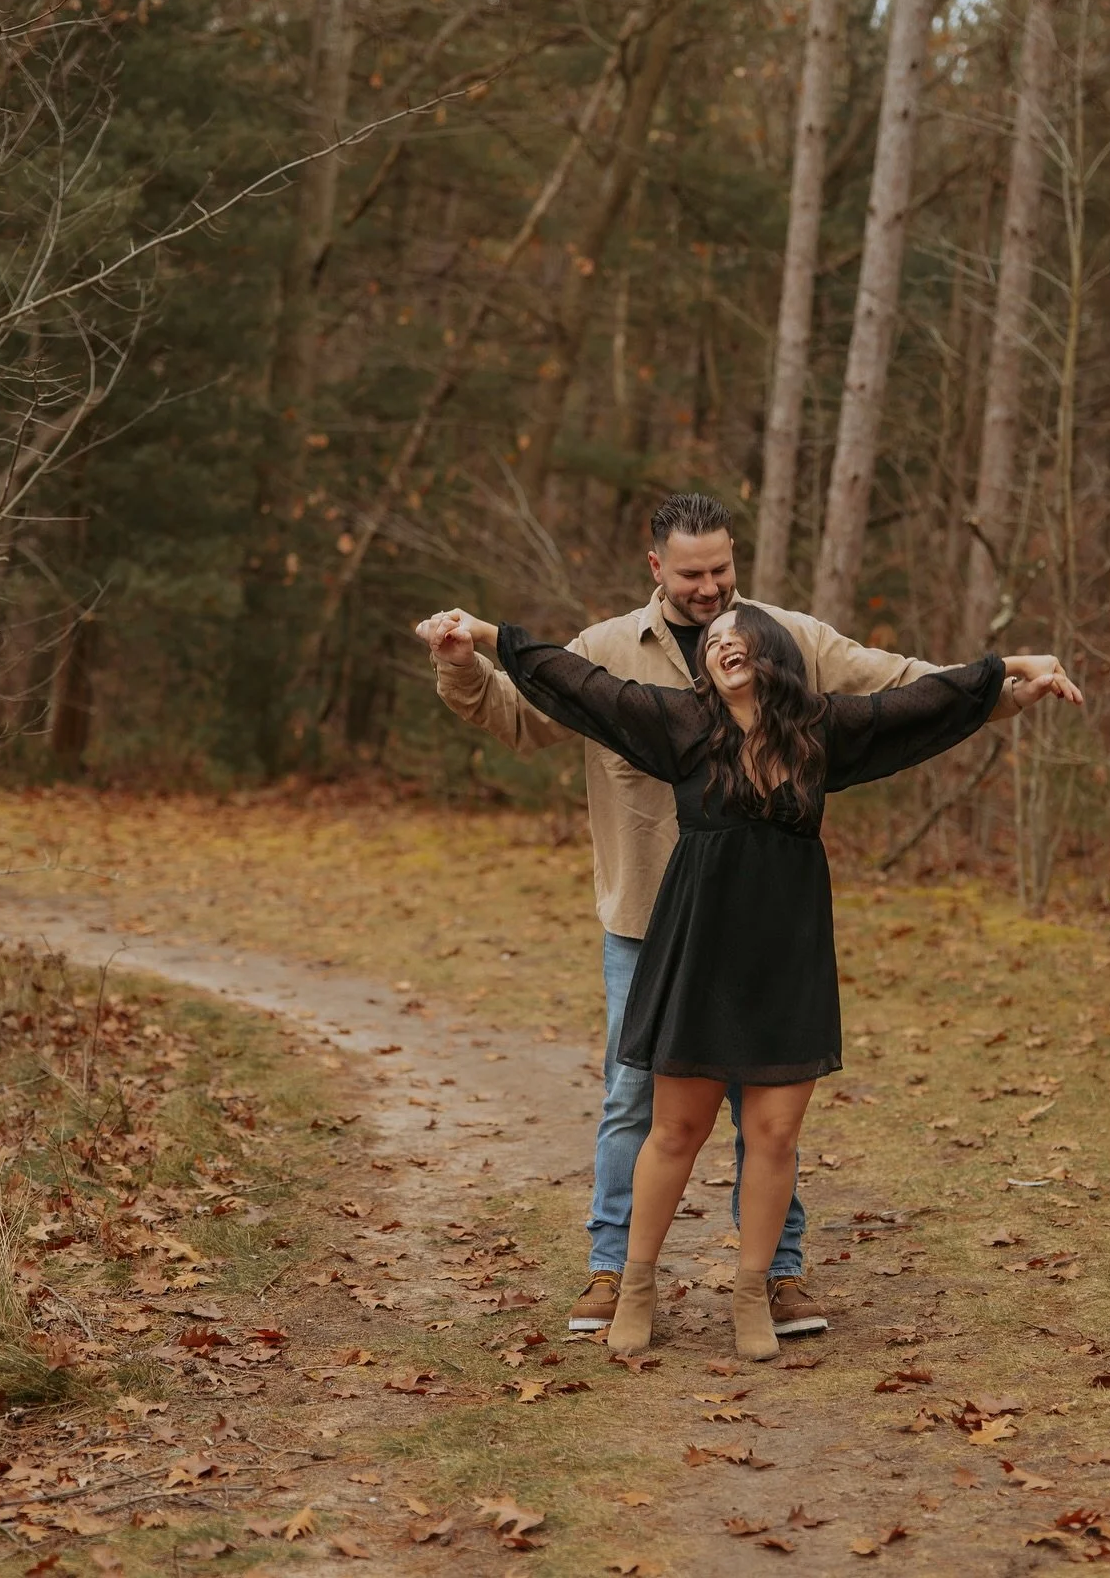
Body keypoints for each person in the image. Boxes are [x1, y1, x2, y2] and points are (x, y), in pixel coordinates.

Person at [414, 493, 1058, 1339]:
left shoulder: (793, 643)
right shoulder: (615, 654)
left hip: (770, 929)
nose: (712, 590)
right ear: (657, 569)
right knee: (636, 1102)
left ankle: (775, 1277)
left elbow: (902, 694)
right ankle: (614, 1274)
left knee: (770, 1111)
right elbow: (528, 707)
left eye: (723, 570)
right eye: (693, 575)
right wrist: (469, 654)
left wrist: (1008, 685)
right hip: (652, 916)